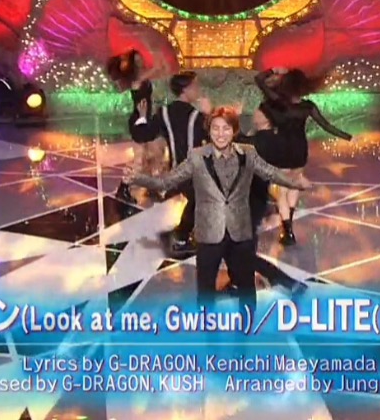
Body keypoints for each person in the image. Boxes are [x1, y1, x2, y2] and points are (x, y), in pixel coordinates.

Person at [126, 107, 310, 312]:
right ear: (209, 131)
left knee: (247, 273)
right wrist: (138, 179)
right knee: (206, 291)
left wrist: (295, 183)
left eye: (225, 129)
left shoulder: (247, 154)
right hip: (209, 234)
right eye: (216, 128)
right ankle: (209, 325)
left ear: (233, 131)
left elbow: (271, 173)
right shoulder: (197, 157)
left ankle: (252, 318)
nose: (220, 134)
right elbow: (166, 182)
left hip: (238, 230)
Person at [255, 68, 352, 246]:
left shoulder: (278, 103)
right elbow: (326, 125)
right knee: (295, 184)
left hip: (281, 150)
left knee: (282, 192)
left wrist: (273, 70)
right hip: (299, 150)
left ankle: (287, 231)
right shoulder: (308, 107)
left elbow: (259, 79)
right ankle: (289, 223)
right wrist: (347, 136)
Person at [236, 107, 307, 295]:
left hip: (250, 200)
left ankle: (285, 282)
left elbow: (239, 142)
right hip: (253, 200)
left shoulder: (263, 141)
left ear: (267, 119)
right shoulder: (267, 139)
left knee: (239, 249)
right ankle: (245, 280)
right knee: (242, 247)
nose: (255, 114)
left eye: (260, 112)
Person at [151, 71, 211, 252]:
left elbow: (152, 135)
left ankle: (177, 230)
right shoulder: (197, 116)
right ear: (186, 89)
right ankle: (182, 239)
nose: (198, 89)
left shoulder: (163, 113)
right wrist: (210, 114)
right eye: (195, 86)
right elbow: (214, 137)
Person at [106, 49, 166, 202]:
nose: (141, 63)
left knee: (153, 156)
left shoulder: (142, 79)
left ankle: (151, 187)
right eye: (137, 61)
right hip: (139, 120)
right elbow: (157, 68)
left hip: (147, 119)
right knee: (140, 159)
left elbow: (158, 70)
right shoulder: (136, 80)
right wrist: (154, 51)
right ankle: (124, 188)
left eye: (141, 60)